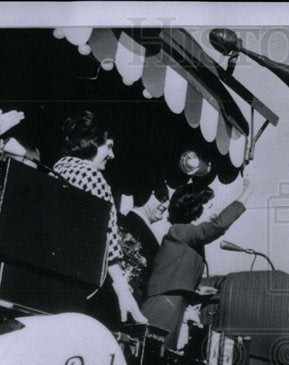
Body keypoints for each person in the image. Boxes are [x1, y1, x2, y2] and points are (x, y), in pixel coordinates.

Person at [51, 110, 146, 327]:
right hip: (75, 284)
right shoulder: (92, 176)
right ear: (92, 142)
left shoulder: (58, 168)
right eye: (109, 146)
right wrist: (123, 290)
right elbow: (109, 241)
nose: (112, 155)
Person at [141, 174, 252, 347]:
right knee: (153, 355)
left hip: (172, 303)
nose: (214, 213)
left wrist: (196, 289)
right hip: (164, 306)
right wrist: (246, 194)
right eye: (209, 206)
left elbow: (174, 271)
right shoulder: (179, 231)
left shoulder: (186, 237)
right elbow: (218, 226)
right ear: (195, 208)